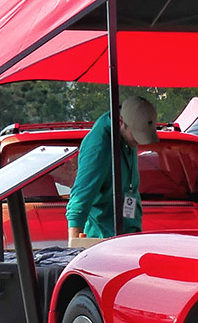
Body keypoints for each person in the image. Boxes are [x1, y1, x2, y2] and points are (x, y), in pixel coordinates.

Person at [66, 95, 158, 240]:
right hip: (105, 238)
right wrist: (74, 247)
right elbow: (80, 197)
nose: (139, 141)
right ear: (121, 122)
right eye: (137, 135)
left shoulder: (125, 135)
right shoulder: (98, 147)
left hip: (127, 233)